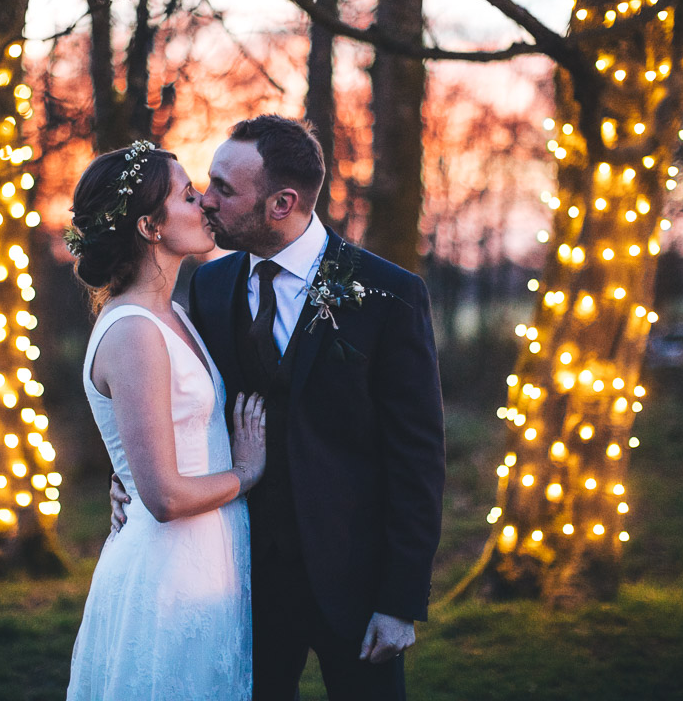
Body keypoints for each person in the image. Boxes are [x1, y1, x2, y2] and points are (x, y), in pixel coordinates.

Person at [112, 116, 445, 700]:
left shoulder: (387, 295)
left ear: (281, 202)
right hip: (239, 579)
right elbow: (179, 408)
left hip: (355, 582)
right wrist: (129, 481)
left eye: (224, 188)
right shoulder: (211, 286)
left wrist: (399, 600)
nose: (206, 200)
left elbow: (418, 458)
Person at [64, 140, 267, 701]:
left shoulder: (174, 313)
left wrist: (127, 473)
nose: (204, 203)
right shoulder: (133, 331)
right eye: (188, 195)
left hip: (209, 562)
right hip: (167, 577)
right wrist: (247, 472)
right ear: (151, 226)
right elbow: (164, 497)